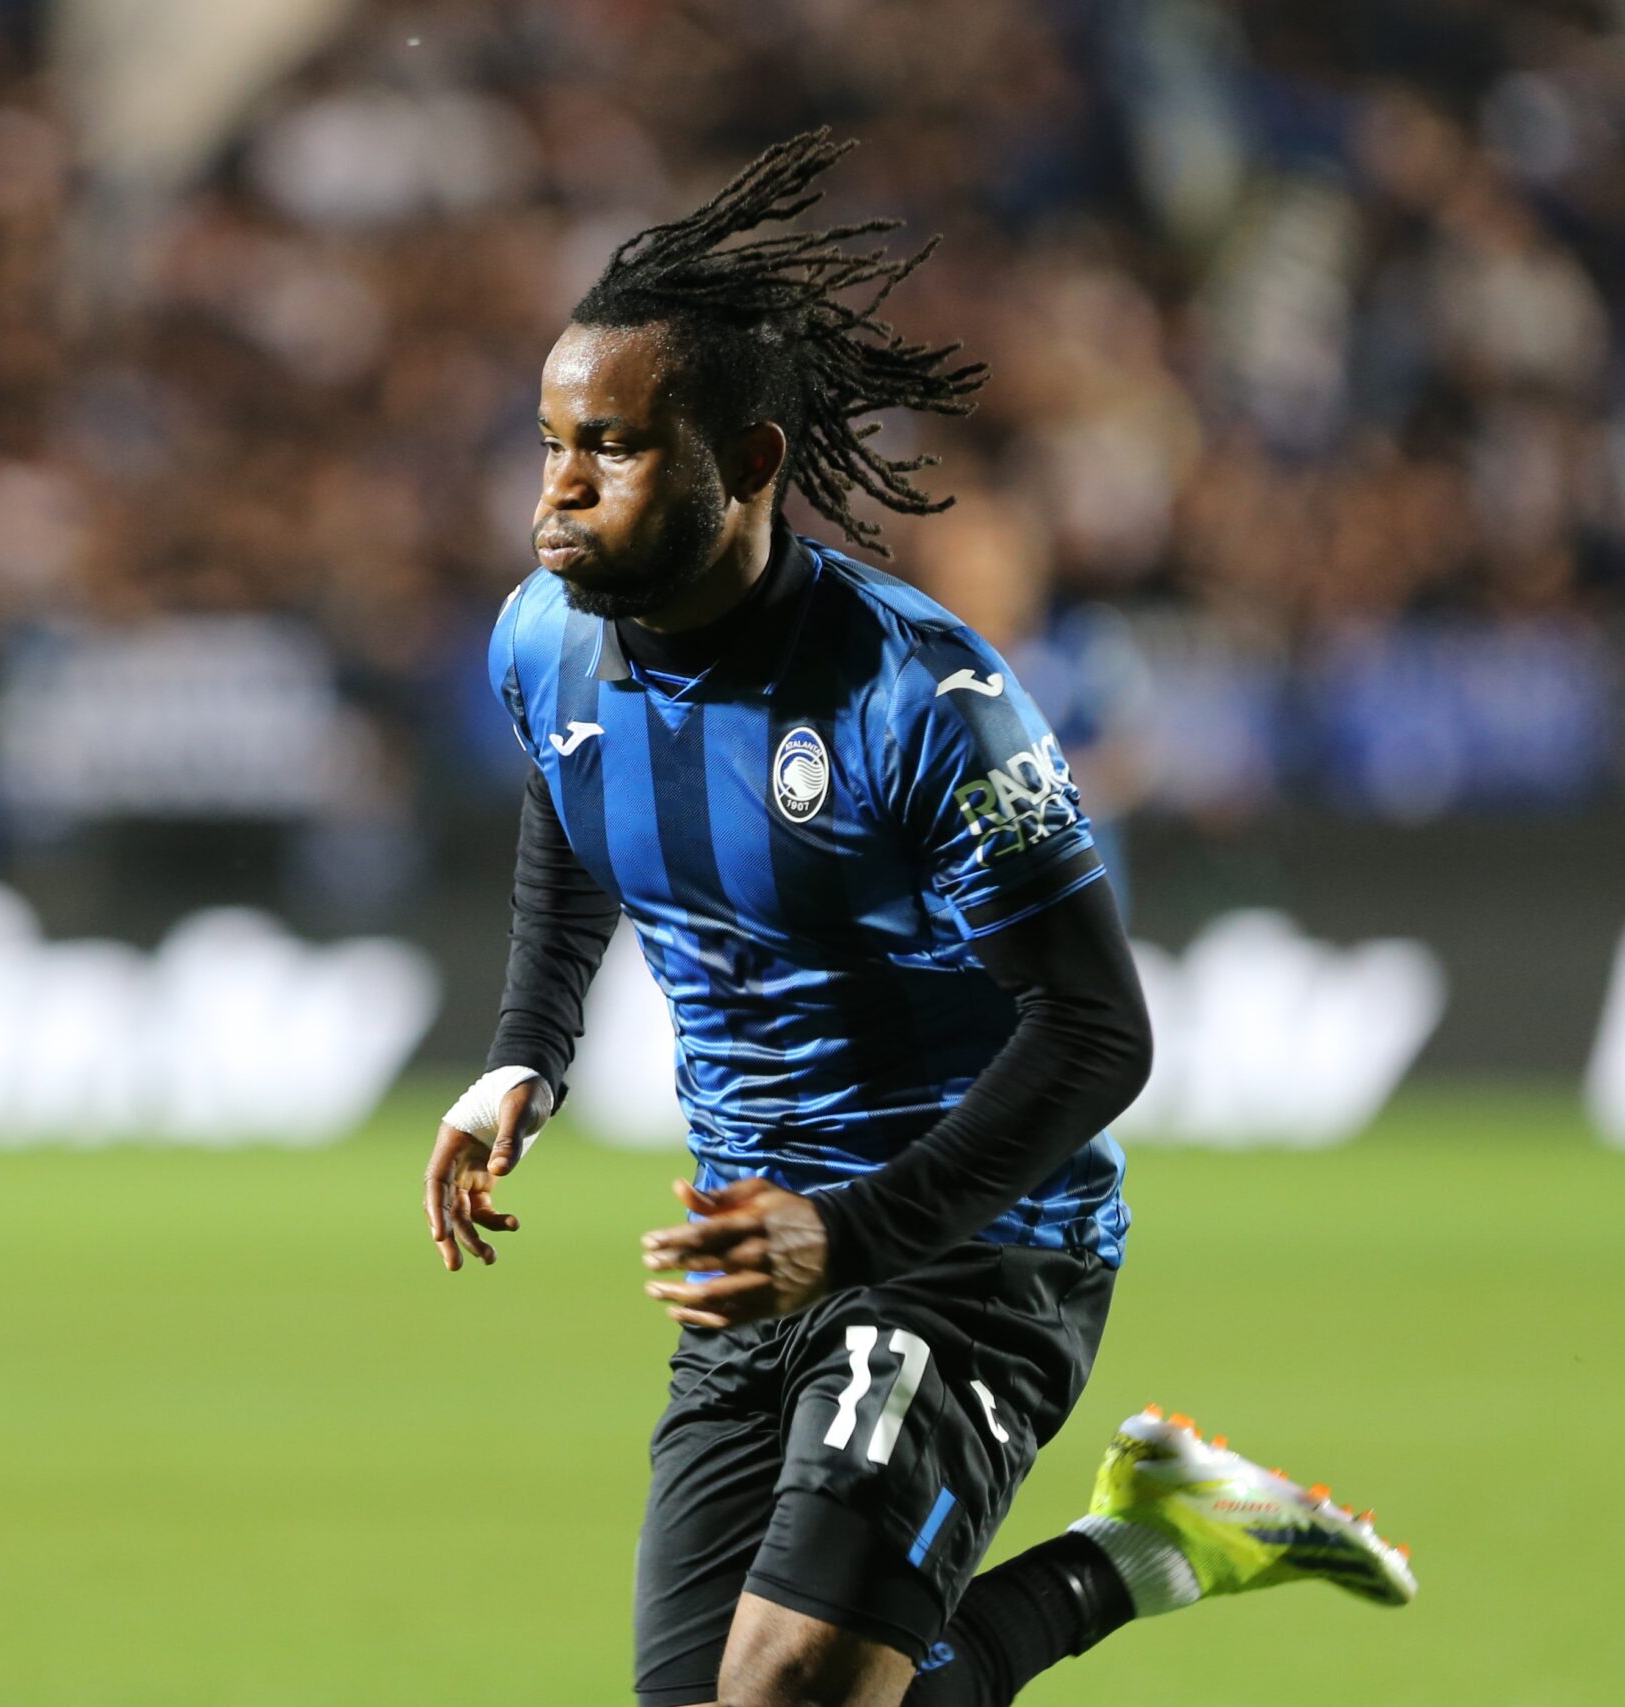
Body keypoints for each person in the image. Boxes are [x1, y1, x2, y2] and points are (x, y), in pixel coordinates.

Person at [421, 133, 1413, 1707]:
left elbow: (1100, 1029)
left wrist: (855, 1232)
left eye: (610, 446)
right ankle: (1156, 1540)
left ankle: (1119, 1561)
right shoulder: (545, 640)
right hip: (751, 1247)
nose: (558, 488)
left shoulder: (922, 698)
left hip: (967, 1244)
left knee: (791, 1684)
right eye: (550, 441)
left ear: (749, 460)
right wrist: (524, 1053)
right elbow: (571, 798)